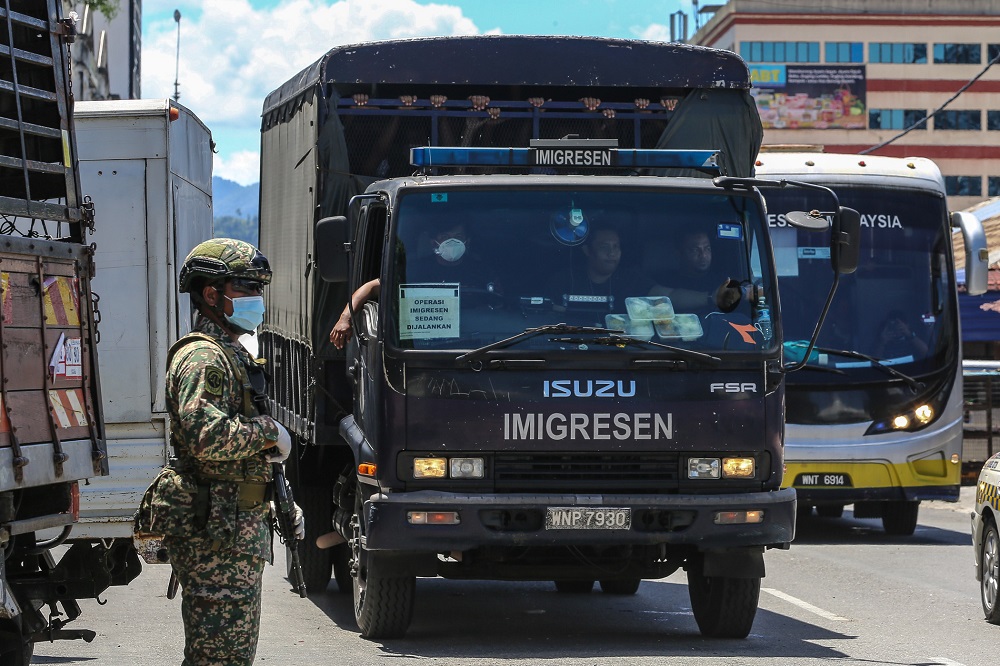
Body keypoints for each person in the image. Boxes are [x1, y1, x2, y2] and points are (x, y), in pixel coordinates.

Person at [136, 238, 303, 665]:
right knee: (219, 659)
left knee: (229, 657)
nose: (257, 298)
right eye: (247, 287)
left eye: (259, 288)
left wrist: (272, 500)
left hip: (232, 529)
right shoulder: (203, 358)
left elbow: (235, 457)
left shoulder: (230, 354)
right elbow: (206, 437)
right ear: (212, 295)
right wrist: (269, 430)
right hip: (216, 537)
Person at [545, 225, 659, 323]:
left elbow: (663, 296)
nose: (612, 253)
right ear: (587, 250)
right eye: (604, 247)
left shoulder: (631, 278)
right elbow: (545, 312)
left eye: (616, 246)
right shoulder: (564, 280)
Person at [658, 228, 744, 316]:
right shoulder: (666, 281)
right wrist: (711, 297)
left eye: (707, 248)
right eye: (695, 250)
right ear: (679, 253)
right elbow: (664, 302)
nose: (703, 255)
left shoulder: (723, 281)